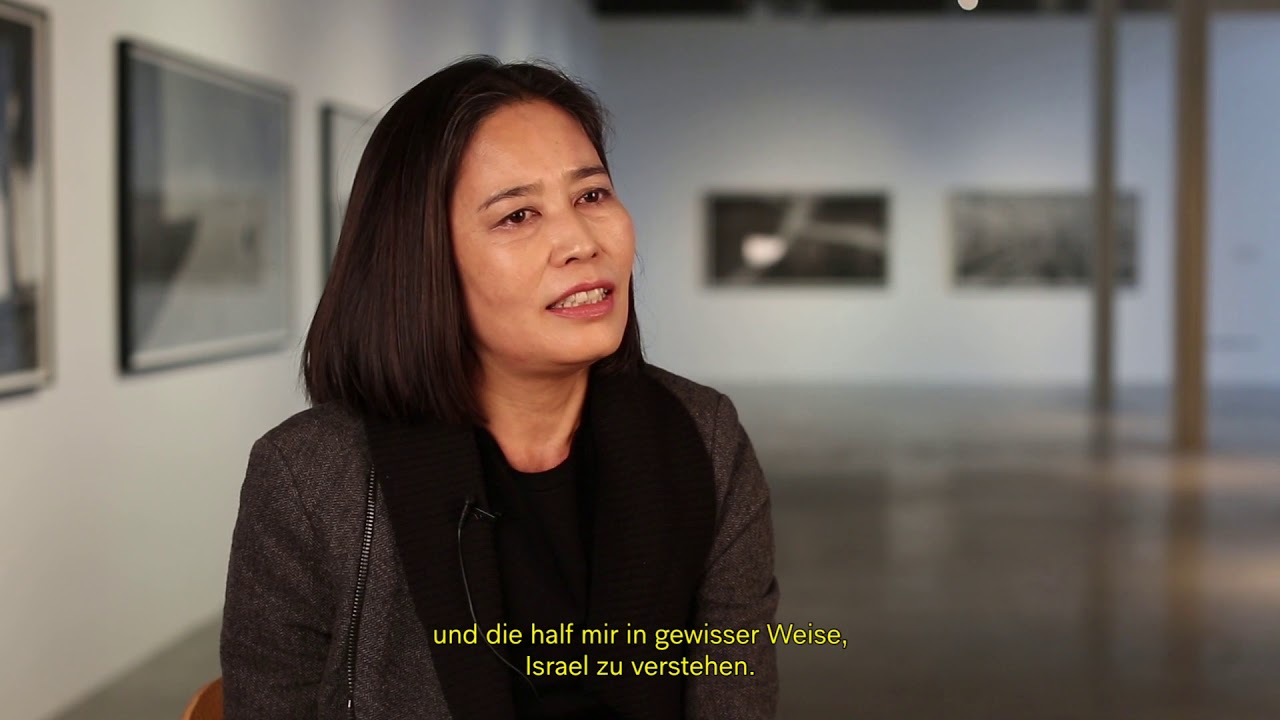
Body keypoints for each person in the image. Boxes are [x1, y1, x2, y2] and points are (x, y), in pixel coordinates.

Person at [220, 55, 779, 720]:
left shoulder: (704, 437)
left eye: (591, 195)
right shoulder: (309, 478)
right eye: (518, 216)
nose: (578, 241)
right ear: (421, 257)